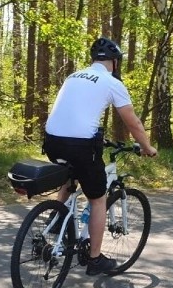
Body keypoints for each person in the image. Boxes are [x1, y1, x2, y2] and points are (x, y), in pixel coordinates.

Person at [43, 36, 157, 275]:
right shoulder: (111, 82)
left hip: (52, 141)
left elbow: (73, 111)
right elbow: (133, 124)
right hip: (81, 145)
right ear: (115, 62)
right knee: (98, 199)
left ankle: (55, 221)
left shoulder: (73, 76)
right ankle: (94, 260)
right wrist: (146, 147)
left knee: (69, 177)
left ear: (93, 59)